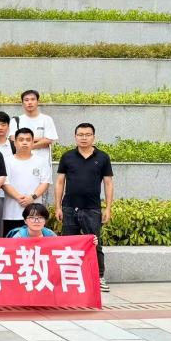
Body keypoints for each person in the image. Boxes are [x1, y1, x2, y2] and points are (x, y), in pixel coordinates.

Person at [56, 122, 113, 292]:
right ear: (75, 137)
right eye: (80, 135)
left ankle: (99, 277)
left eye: (88, 135)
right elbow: (60, 182)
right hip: (69, 207)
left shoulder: (103, 157)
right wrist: (58, 206)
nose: (84, 138)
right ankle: (68, 277)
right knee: (68, 244)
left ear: (93, 137)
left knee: (95, 243)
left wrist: (108, 208)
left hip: (92, 208)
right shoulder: (67, 156)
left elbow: (108, 183)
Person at [2, 127, 51, 234]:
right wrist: (19, 197)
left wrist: (32, 197)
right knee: (12, 241)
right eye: (21, 140)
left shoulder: (41, 161)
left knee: (35, 242)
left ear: (33, 142)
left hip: (35, 214)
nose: (24, 142)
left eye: (28, 140)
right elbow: (4, 183)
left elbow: (45, 182)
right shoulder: (6, 161)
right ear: (15, 142)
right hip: (12, 213)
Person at [12, 90, 59, 166]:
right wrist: (41, 139)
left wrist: (26, 144)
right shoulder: (16, 120)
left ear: (38, 102)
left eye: (33, 99)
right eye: (26, 100)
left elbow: (48, 140)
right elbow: (13, 138)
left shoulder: (47, 119)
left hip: (42, 162)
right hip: (21, 162)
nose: (30, 102)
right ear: (22, 103)